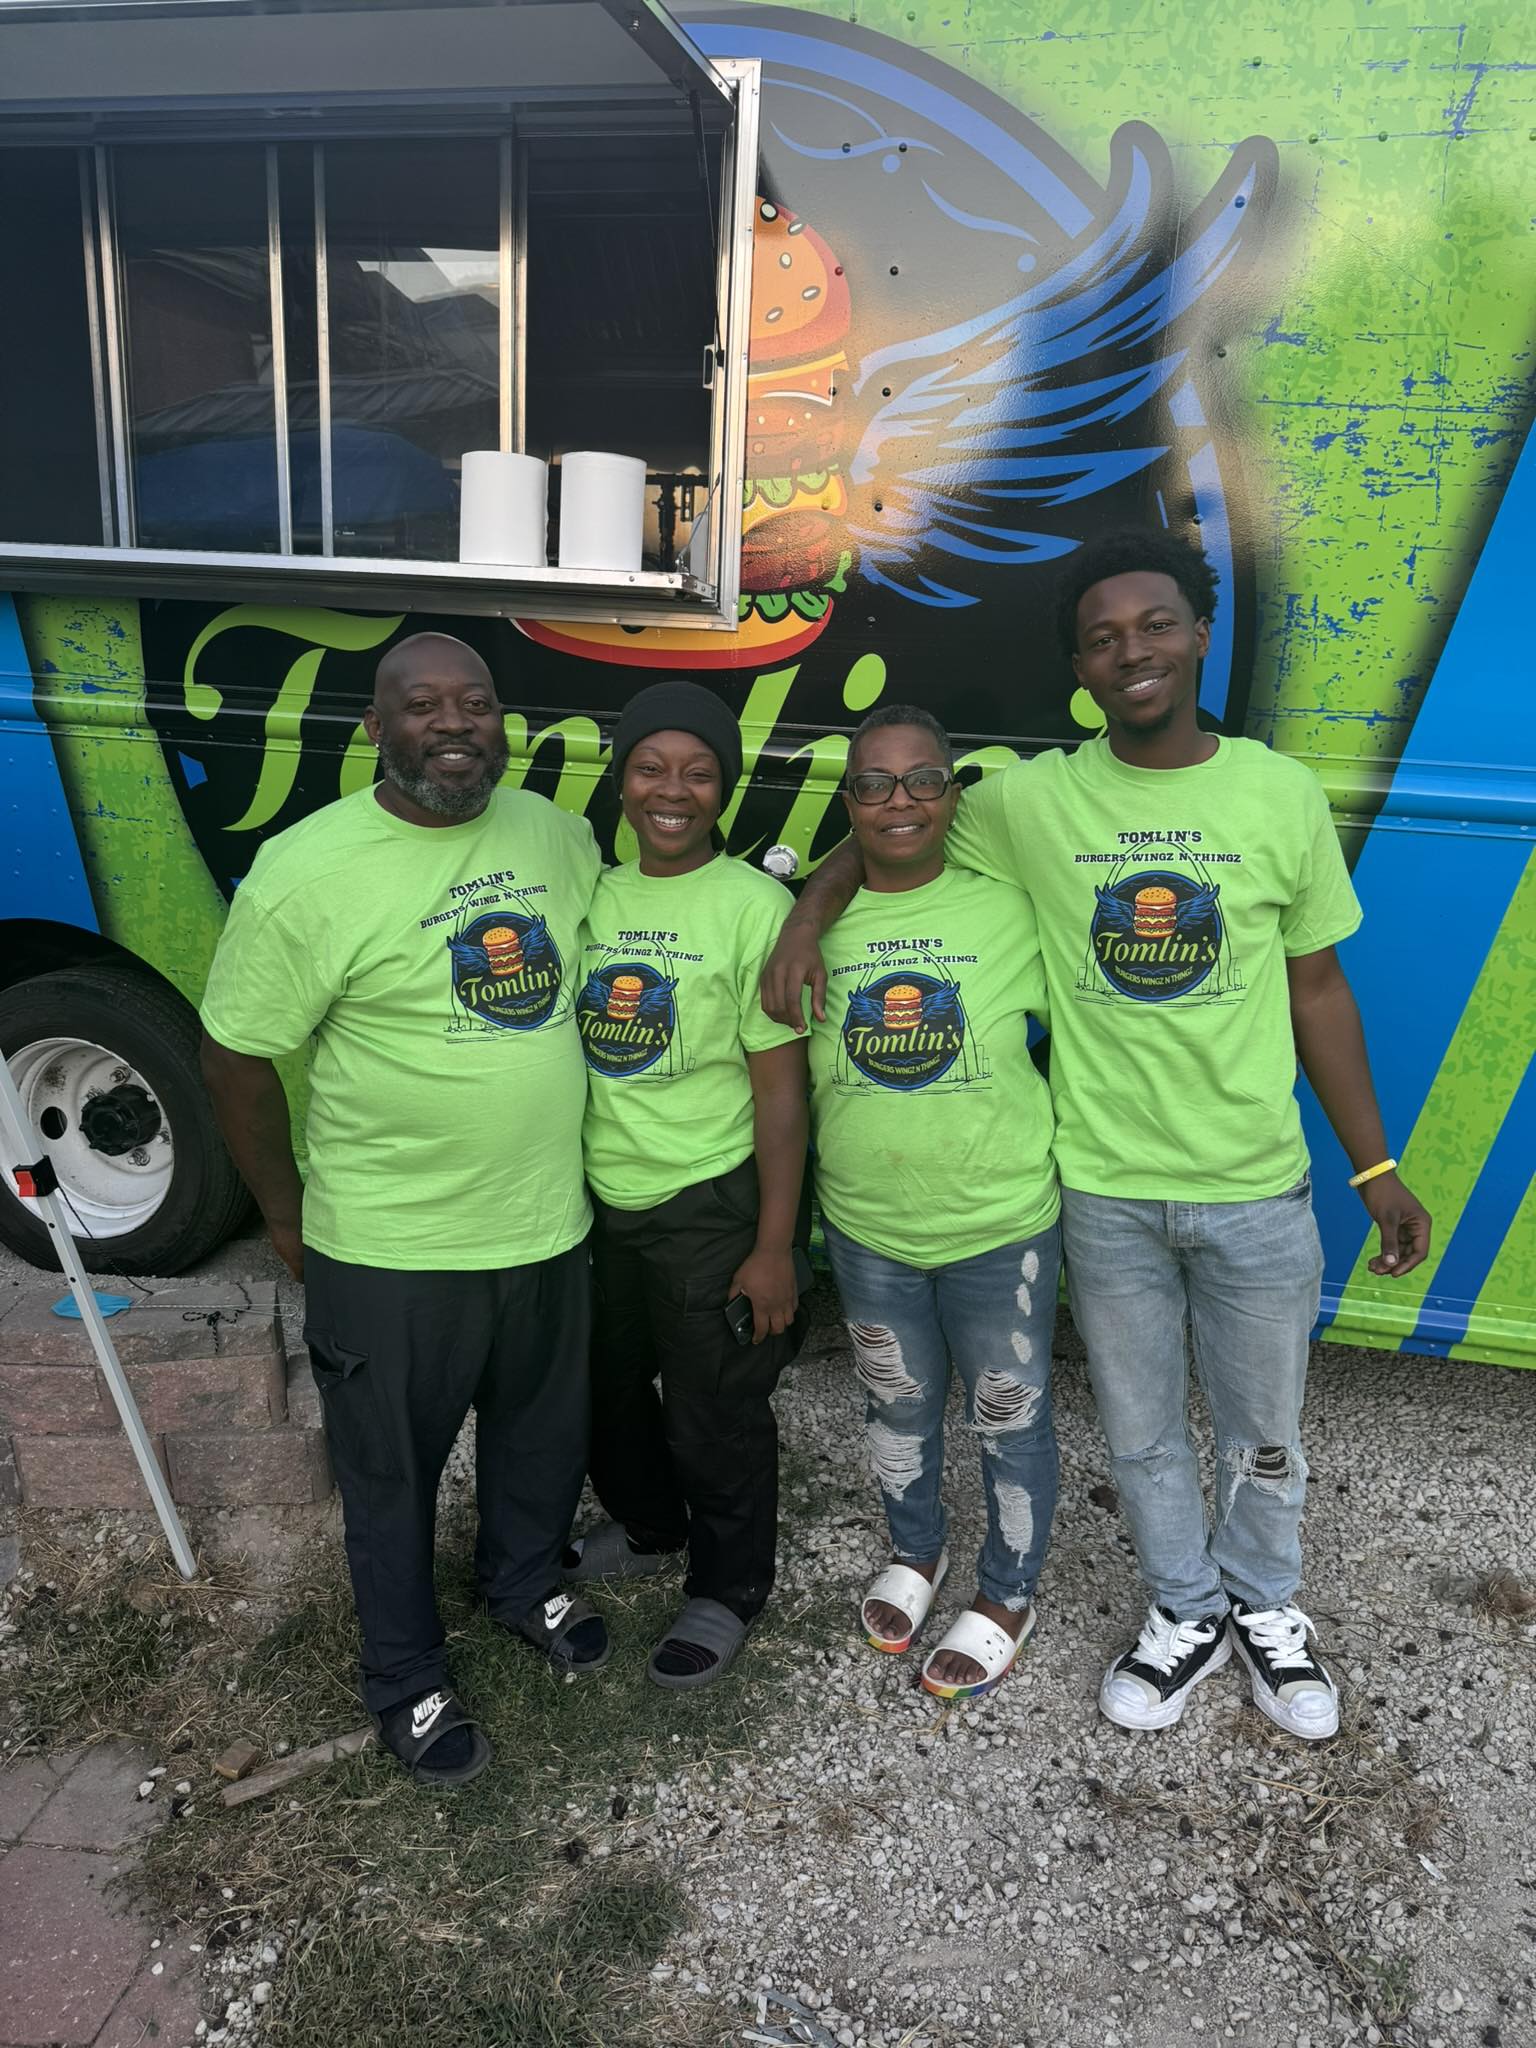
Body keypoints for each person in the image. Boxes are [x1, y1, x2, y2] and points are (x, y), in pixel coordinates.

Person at [761, 529, 1431, 1741]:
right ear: (1078, 667)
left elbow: (1319, 988)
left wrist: (1373, 1164)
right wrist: (807, 915)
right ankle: (1183, 1608)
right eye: (1104, 637)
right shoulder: (1031, 800)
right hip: (1104, 1191)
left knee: (1263, 1431)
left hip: (1254, 1185)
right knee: (1140, 1432)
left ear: (1200, 632)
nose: (1134, 651)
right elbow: (886, 832)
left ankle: (1266, 1604)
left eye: (1156, 624)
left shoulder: (1278, 793)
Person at [200, 631, 609, 1787]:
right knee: (391, 1474)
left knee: (540, 1436)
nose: (453, 723)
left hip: (544, 1220)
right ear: (375, 729)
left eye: (474, 702)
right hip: (390, 1243)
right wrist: (285, 1212)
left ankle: (522, 1581)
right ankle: (405, 1673)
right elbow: (234, 1056)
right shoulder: (306, 870)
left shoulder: (556, 835)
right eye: (422, 706)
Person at [808, 705, 1060, 1701]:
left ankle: (1008, 1591)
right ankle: (917, 1549)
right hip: (868, 1226)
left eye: (923, 780)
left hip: (1001, 1225)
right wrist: (802, 917)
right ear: (848, 801)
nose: (899, 801)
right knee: (896, 1399)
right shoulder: (811, 928)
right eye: (873, 783)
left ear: (955, 796)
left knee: (1010, 1413)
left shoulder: (1011, 909)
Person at [564, 680, 809, 1688]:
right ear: (622, 781)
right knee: (599, 1386)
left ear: (725, 788)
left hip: (709, 1199)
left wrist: (774, 1243)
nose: (674, 791)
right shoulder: (590, 895)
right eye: (651, 768)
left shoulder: (754, 907)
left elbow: (782, 1094)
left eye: (699, 772)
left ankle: (727, 1584)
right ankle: (651, 1525)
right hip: (595, 1196)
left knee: (715, 1406)